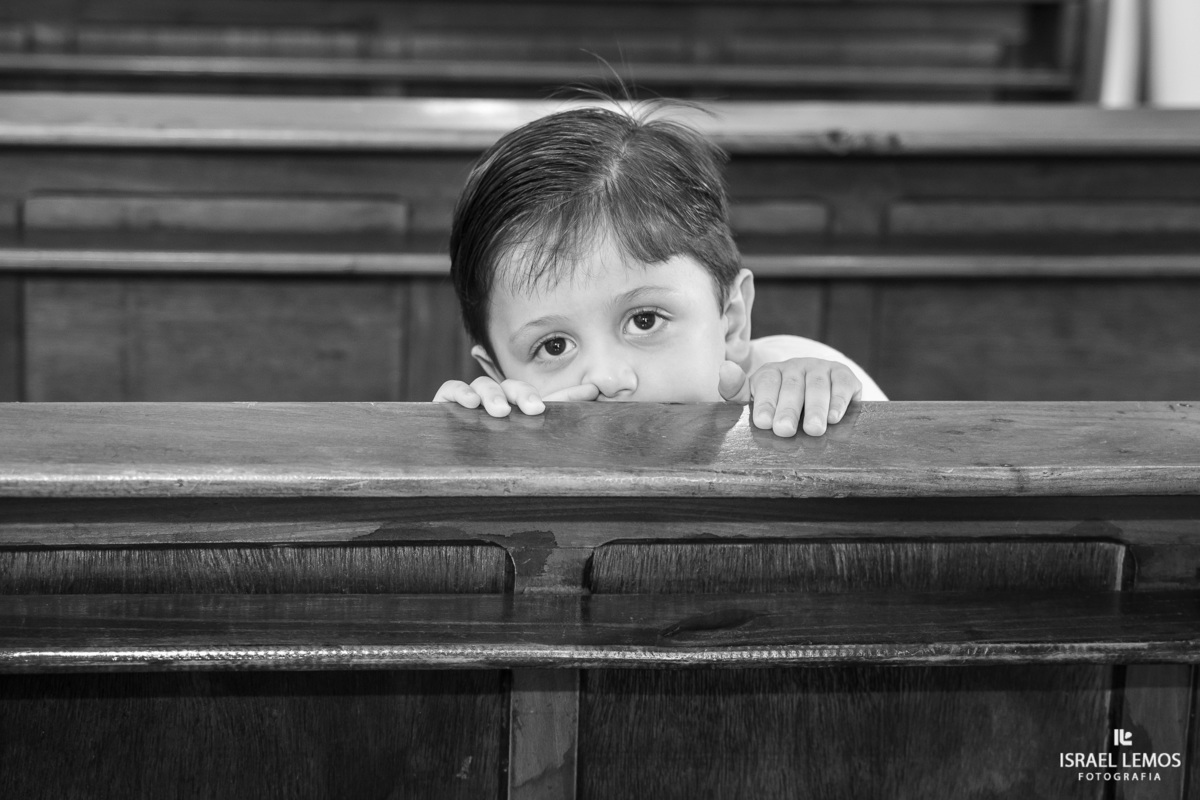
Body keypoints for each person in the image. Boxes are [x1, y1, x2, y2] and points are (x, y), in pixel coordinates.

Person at [434, 102, 887, 437]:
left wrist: (818, 410)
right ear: (498, 374)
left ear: (730, 321)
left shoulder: (788, 381)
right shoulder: (510, 429)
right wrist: (472, 445)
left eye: (644, 320)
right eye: (554, 346)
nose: (608, 379)